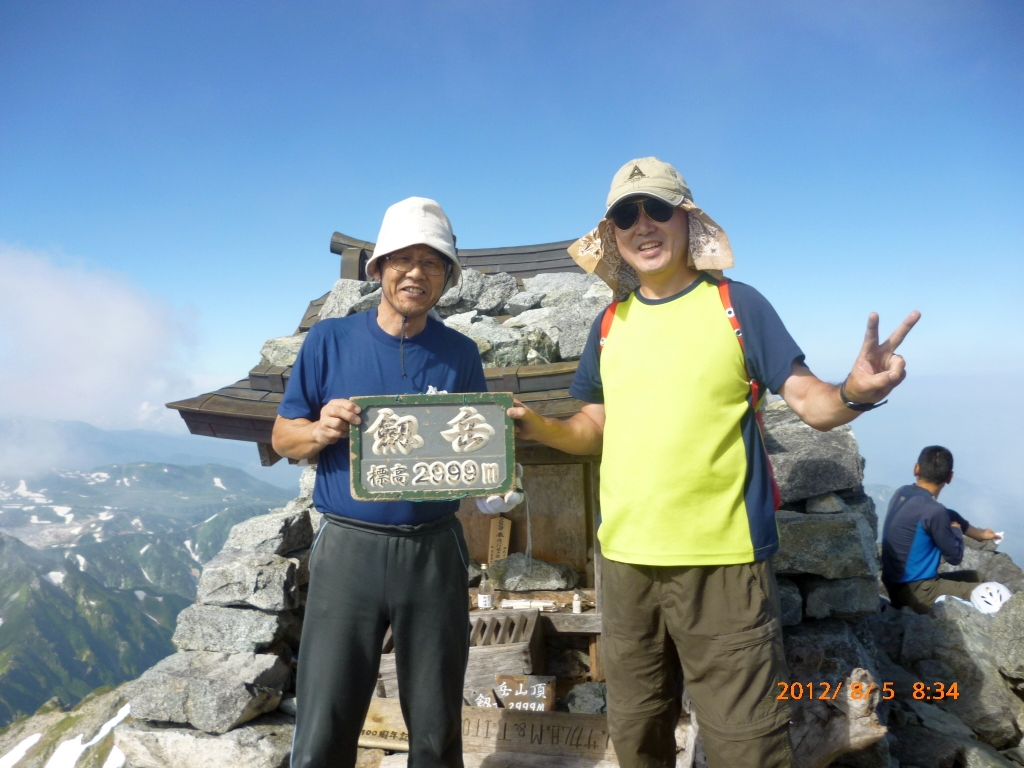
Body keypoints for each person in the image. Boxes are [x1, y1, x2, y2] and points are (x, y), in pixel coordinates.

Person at [509, 157, 920, 768]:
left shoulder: (737, 305)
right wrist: (538, 428)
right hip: (624, 562)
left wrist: (857, 390)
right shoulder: (609, 323)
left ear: (687, 220)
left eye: (658, 209)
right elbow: (594, 425)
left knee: (745, 742)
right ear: (614, 234)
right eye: (626, 215)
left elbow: (810, 400)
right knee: (636, 729)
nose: (642, 225)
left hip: (723, 563)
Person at [274, 197, 486, 768]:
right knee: (325, 715)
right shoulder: (329, 340)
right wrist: (319, 430)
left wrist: (496, 465)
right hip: (348, 545)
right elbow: (282, 437)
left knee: (437, 719)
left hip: (435, 545)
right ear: (378, 269)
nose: (416, 273)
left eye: (432, 262)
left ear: (447, 277)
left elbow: (474, 447)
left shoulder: (461, 355)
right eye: (402, 259)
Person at [881, 445, 999, 614]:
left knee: (978, 578)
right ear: (950, 477)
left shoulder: (903, 492)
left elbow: (947, 514)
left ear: (916, 468)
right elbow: (955, 556)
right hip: (916, 592)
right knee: (989, 594)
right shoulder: (933, 511)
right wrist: (956, 531)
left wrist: (980, 535)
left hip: (896, 584)